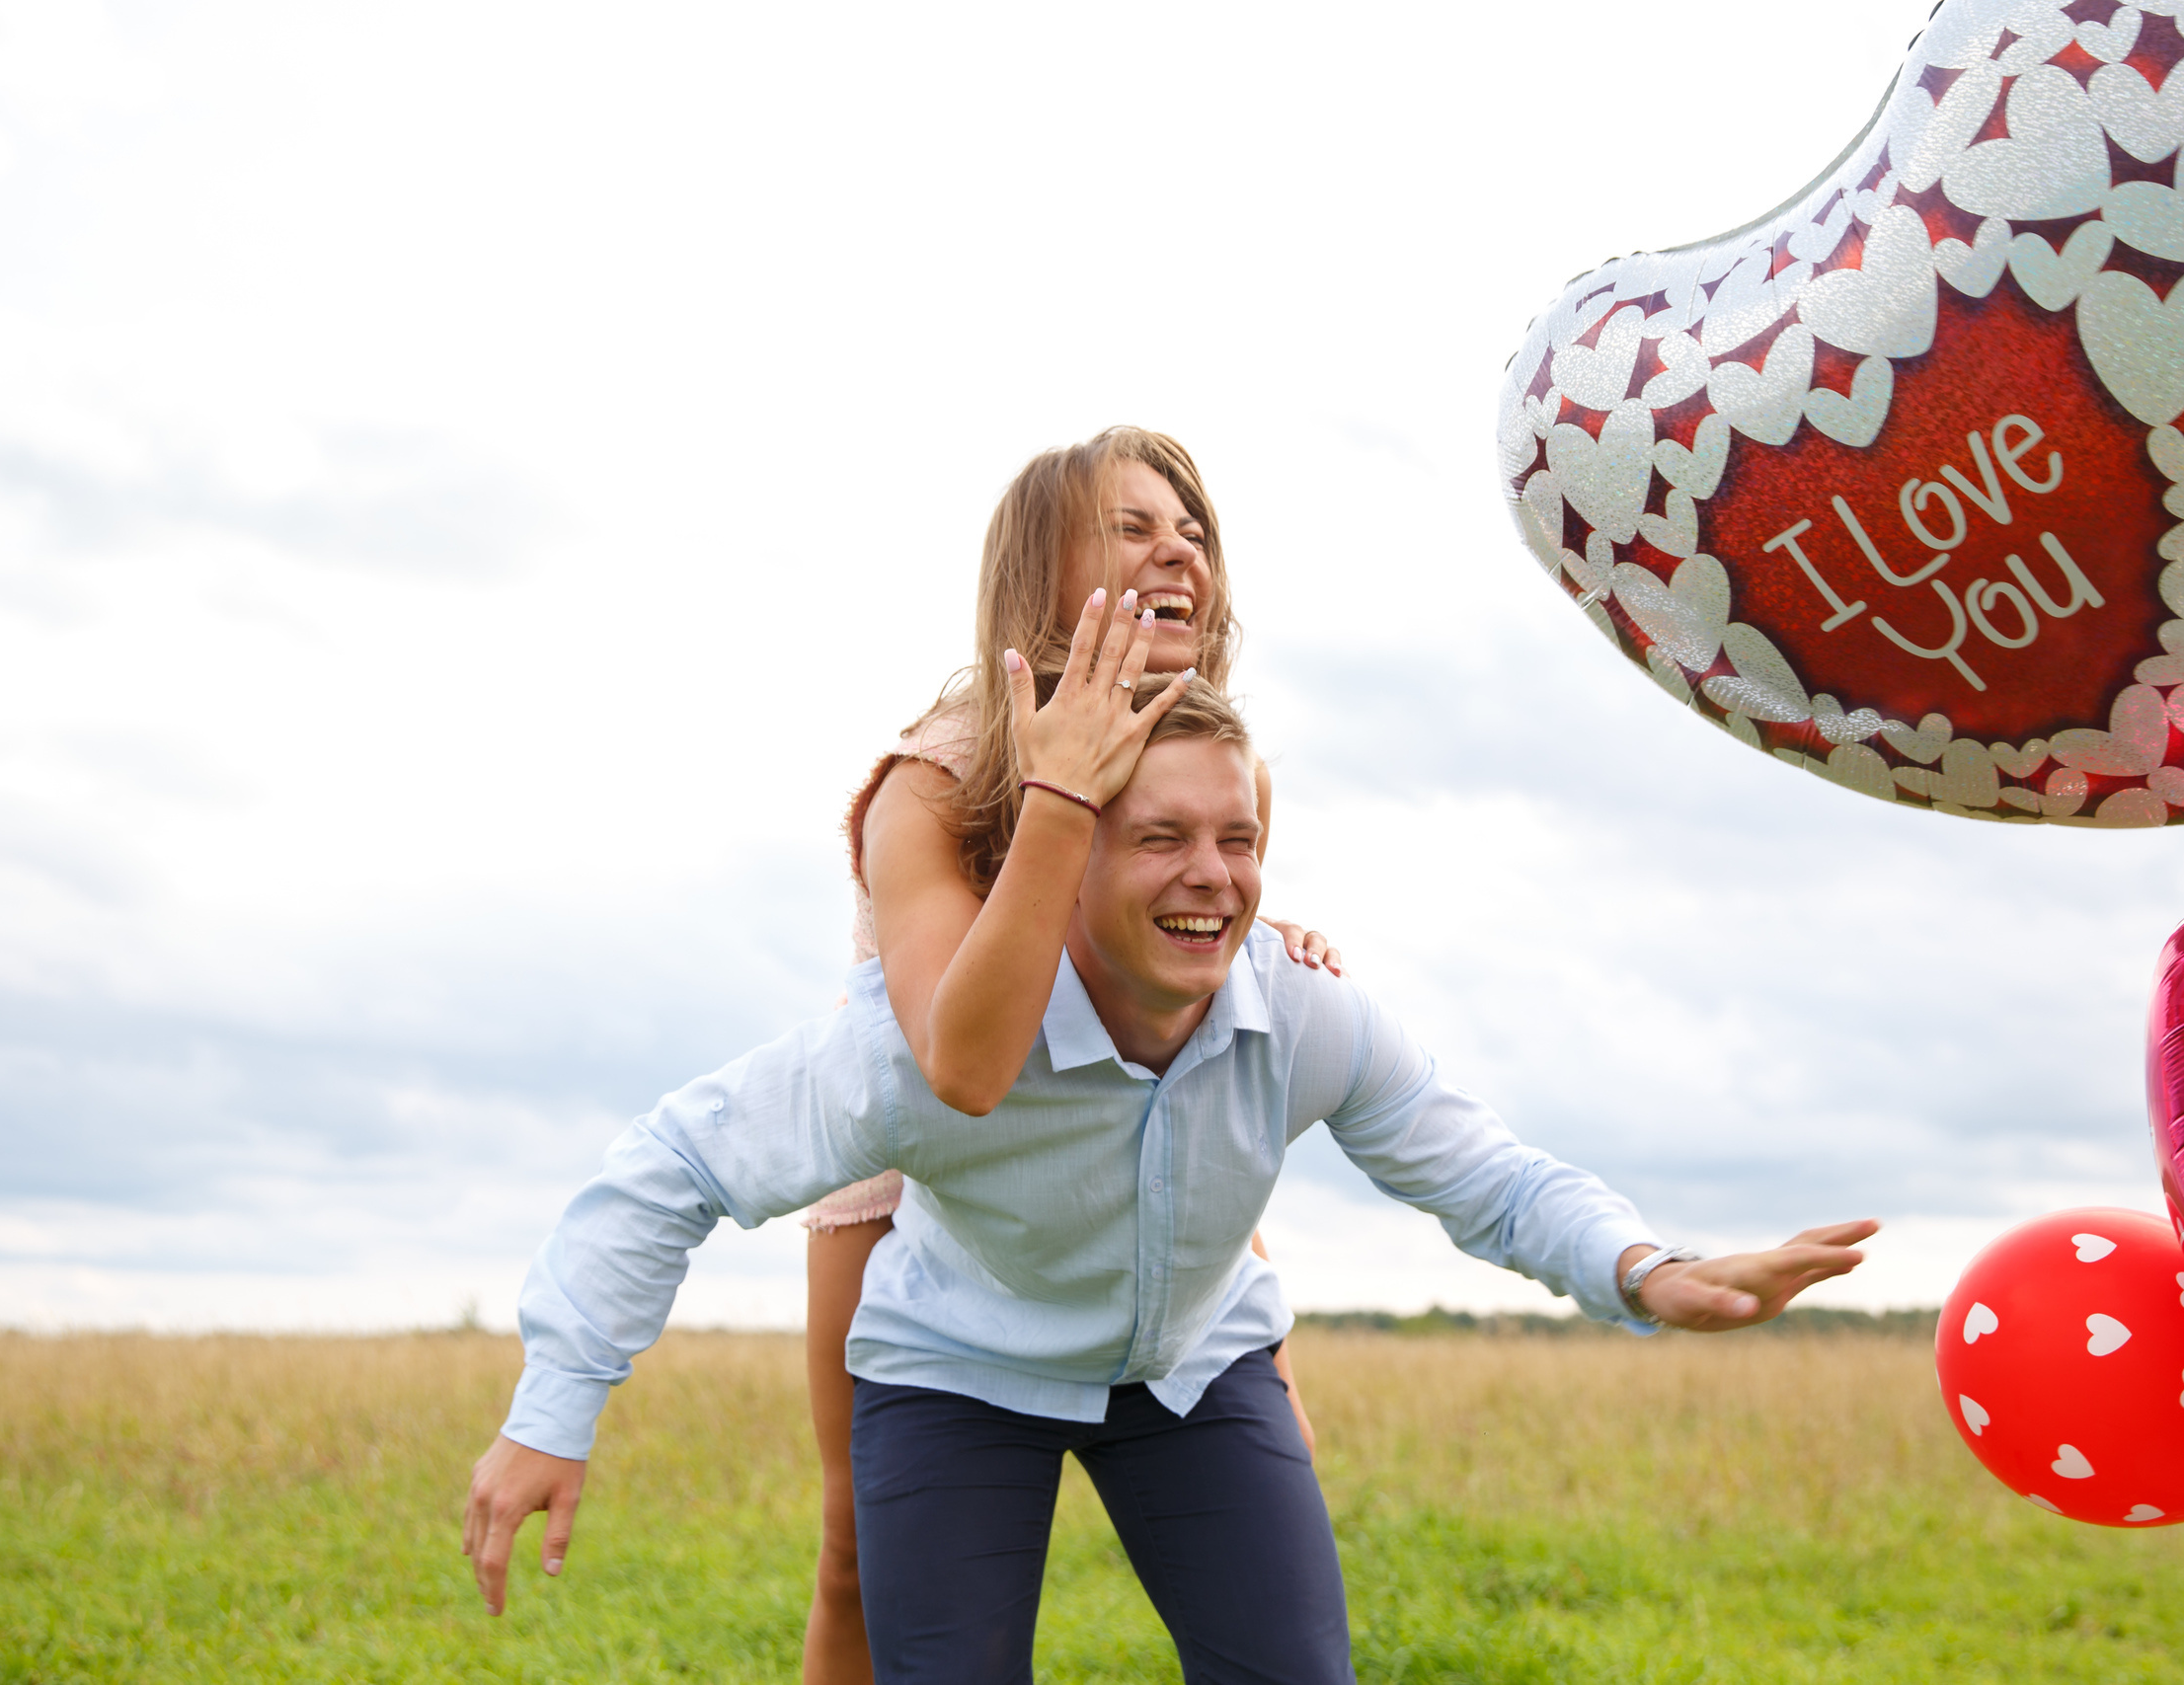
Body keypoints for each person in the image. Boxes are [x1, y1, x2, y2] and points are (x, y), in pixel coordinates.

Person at [464, 679, 1875, 1682]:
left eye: (1238, 838)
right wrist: (552, 1411)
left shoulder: (1306, 1014)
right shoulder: (926, 1050)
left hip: (1195, 1377)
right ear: (1064, 865)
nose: (1213, 876)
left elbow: (1489, 1177)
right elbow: (675, 1161)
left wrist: (1649, 1269)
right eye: (1161, 837)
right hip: (957, 1373)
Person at [803, 426, 1336, 1680]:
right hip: (914, 1161)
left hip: (1134, 1129)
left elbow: (1186, 956)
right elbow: (958, 1062)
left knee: (1272, 1442)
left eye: (1192, 531)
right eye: (1132, 526)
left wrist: (1272, 939)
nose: (1177, 552)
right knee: (855, 1551)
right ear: (1039, 572)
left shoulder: (1206, 756)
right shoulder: (935, 779)